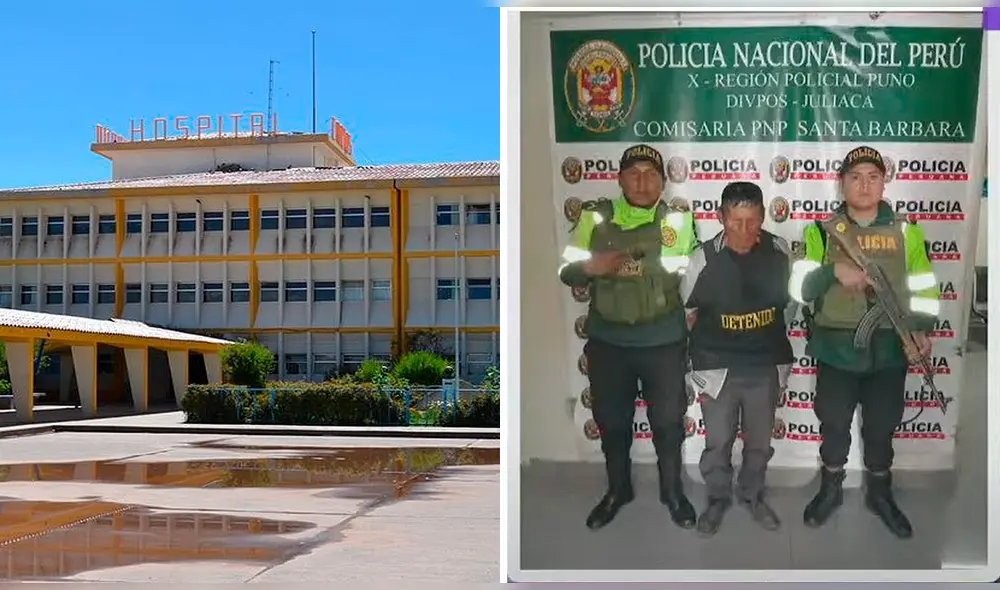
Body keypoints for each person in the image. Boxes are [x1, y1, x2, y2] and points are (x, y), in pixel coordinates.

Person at [787, 145, 940, 539]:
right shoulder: (821, 231)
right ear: (842, 183)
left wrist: (921, 330)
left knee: (882, 425)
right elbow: (800, 290)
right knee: (834, 423)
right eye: (855, 177)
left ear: (884, 182)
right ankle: (830, 488)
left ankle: (879, 493)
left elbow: (923, 285)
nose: (864, 184)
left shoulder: (907, 231)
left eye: (873, 176)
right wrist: (832, 271)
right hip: (836, 350)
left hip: (890, 350)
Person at [559, 144, 699, 531]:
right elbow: (568, 272)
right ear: (619, 178)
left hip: (663, 342)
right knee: (612, 421)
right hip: (609, 343)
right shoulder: (594, 216)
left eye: (650, 173)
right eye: (633, 172)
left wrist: (615, 262)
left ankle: (673, 492)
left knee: (668, 423)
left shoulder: (677, 220)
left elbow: (680, 269)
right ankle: (618, 490)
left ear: (663, 180)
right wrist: (590, 264)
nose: (642, 181)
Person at [680, 181, 795, 536]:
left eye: (752, 221)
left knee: (760, 442)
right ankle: (717, 498)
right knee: (718, 440)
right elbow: (686, 311)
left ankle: (752, 495)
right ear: (720, 218)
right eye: (735, 222)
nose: (745, 231)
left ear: (763, 217)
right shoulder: (703, 258)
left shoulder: (780, 252)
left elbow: (788, 309)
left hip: (764, 362)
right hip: (716, 365)